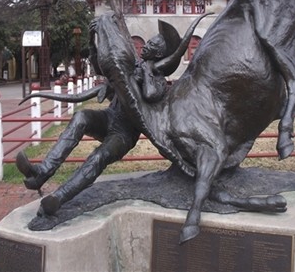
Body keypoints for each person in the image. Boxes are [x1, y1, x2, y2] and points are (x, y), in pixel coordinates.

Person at [16, 15, 207, 216]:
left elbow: (151, 95)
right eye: (148, 42)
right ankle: (41, 172)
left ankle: (59, 197)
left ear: (159, 53)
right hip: (108, 118)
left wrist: (147, 72)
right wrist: (92, 41)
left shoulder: (158, 80)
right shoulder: (129, 66)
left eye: (152, 45)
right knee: (81, 117)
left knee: (100, 156)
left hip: (123, 134)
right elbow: (101, 69)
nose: (146, 46)